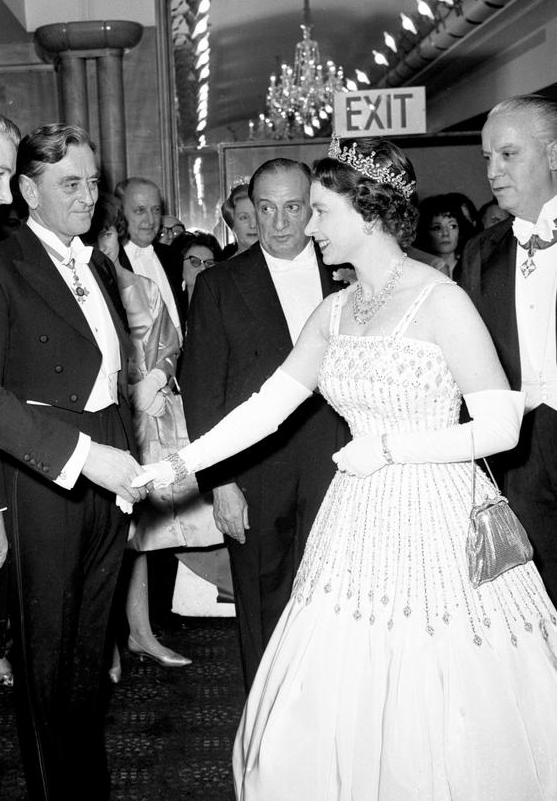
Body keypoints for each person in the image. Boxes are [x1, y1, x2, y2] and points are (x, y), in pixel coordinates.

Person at [135, 136, 557, 800]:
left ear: (367, 214)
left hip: (437, 511)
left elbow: (502, 426)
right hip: (357, 515)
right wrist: (179, 464)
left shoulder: (438, 298)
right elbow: (267, 406)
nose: (309, 226)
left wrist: (391, 449)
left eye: (322, 211)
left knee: (439, 676)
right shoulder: (335, 310)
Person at [0, 101, 140, 801]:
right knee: (42, 655)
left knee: (87, 652)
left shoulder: (94, 264)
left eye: (93, 182)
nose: (5, 194)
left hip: (100, 466)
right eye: (3, 175)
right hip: (41, 472)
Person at [180, 157, 349, 690]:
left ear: (313, 209)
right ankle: (268, 721)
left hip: (340, 465)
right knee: (262, 599)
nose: (279, 223)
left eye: (293, 208)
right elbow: (204, 391)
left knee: (336, 598)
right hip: (254, 471)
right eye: (266, 209)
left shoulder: (346, 275)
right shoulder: (220, 284)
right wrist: (221, 482)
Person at [460, 94, 557, 602]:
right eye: (487, 158)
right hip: (516, 447)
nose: (493, 170)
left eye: (508, 154)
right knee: (532, 597)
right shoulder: (481, 252)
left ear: (555, 154)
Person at [90, 196, 192, 672]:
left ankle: (141, 632)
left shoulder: (142, 287)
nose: (101, 243)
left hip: (142, 422)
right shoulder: (72, 288)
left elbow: (169, 344)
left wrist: (155, 379)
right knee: (101, 535)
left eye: (107, 233)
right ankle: (104, 641)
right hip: (94, 426)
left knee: (137, 535)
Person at [114, 177, 186, 338]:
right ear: (120, 213)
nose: (150, 220)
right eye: (140, 210)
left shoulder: (173, 257)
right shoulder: (111, 262)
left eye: (155, 210)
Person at [415, 193, 472, 278]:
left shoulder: (472, 269)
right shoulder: (420, 271)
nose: (445, 233)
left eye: (452, 226)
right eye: (437, 227)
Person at [174, 230, 223, 302]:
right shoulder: (171, 304)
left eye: (209, 263)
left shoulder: (224, 303)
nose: (203, 268)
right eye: (195, 261)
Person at [220, 182, 258, 259]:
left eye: (257, 216)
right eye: (244, 217)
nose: (253, 224)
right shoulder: (224, 270)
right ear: (232, 225)